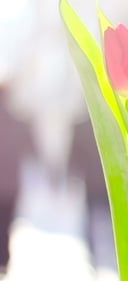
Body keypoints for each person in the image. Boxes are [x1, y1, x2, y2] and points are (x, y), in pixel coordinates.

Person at [68, 118, 115, 269]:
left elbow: (74, 156)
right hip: (110, 182)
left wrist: (72, 176)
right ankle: (114, 252)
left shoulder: (81, 126)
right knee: (112, 219)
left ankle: (95, 253)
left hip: (95, 183)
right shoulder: (113, 123)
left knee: (92, 219)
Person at [0, 84, 34, 273]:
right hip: (11, 185)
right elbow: (30, 146)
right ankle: (3, 259)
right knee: (6, 222)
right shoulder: (16, 121)